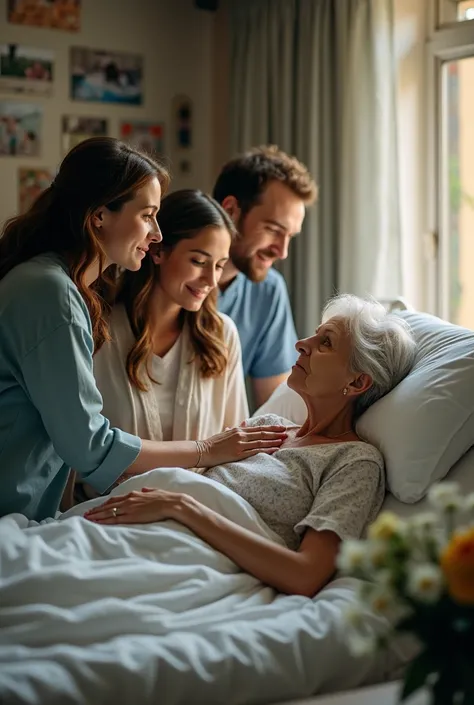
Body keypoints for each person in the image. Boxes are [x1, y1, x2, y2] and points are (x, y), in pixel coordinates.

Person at [0, 137, 287, 522]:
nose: (156, 233)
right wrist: (206, 449)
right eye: (147, 215)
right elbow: (88, 447)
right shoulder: (54, 296)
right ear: (100, 215)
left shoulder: (57, 289)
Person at [85, 295, 417, 597]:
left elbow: (305, 575)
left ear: (357, 382)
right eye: (315, 334)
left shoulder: (354, 461)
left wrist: (182, 507)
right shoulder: (264, 428)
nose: (302, 343)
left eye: (325, 342)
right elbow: (194, 484)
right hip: (144, 536)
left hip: (189, 560)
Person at [70, 189, 249, 505]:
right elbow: (77, 450)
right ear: (157, 251)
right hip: (107, 515)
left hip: (196, 515)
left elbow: (234, 449)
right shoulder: (97, 330)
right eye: (198, 260)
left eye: (220, 265)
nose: (210, 280)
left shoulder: (222, 336)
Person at [213, 145, 318, 408]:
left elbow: (275, 406)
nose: (282, 252)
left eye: (290, 237)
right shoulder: (166, 276)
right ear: (230, 210)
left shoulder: (269, 291)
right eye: (273, 229)